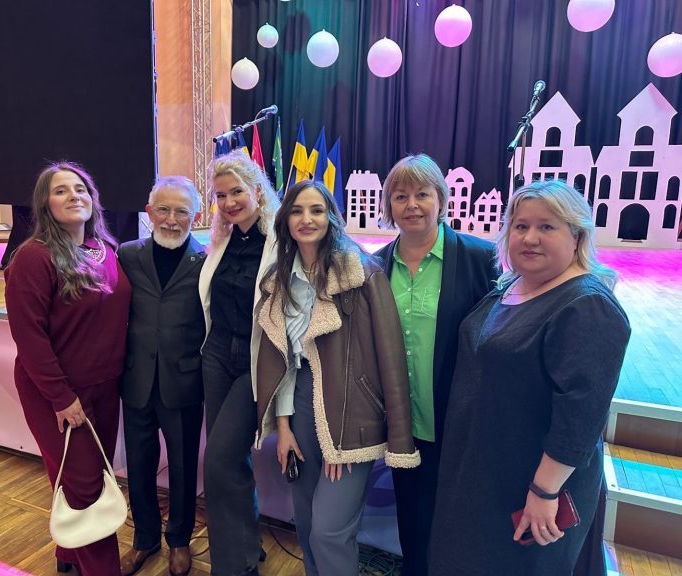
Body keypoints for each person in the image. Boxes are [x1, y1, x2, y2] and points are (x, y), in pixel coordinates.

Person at [429, 180, 631, 575]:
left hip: (529, 486)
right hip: (483, 472)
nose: (530, 237)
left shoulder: (587, 305)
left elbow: (581, 415)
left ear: (577, 236)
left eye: (547, 226)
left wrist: (544, 491)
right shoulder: (513, 285)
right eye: (521, 226)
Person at [255, 180, 420, 576]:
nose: (307, 219)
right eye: (297, 210)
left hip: (349, 415)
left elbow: (390, 359)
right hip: (299, 409)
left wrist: (352, 440)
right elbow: (282, 360)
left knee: (329, 531)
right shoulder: (279, 279)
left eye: (316, 210)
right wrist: (283, 426)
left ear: (331, 217)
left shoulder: (360, 273)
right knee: (307, 522)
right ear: (285, 220)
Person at [4, 161, 131, 576]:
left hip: (104, 388)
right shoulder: (33, 257)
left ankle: (69, 556)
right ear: (45, 204)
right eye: (61, 190)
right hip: (58, 393)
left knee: (81, 477)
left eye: (81, 189)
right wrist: (61, 397)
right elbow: (29, 337)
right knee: (87, 490)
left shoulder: (104, 250)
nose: (74, 195)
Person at [373, 154, 497, 576]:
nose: (411, 205)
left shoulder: (481, 259)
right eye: (400, 196)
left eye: (422, 194)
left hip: (459, 423)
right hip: (403, 426)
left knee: (460, 522)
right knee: (412, 521)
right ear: (389, 205)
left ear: (441, 200)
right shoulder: (375, 266)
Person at [116, 177, 206, 576]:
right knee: (138, 465)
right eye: (164, 209)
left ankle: (180, 540)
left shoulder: (207, 261)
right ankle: (145, 539)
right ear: (149, 212)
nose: (172, 219)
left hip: (184, 382)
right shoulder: (126, 254)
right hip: (136, 378)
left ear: (196, 216)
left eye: (181, 211)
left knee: (184, 468)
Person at [198, 150, 279, 576]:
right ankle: (247, 544)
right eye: (221, 195)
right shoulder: (221, 241)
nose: (229, 202)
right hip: (216, 356)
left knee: (218, 460)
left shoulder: (281, 241)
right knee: (230, 460)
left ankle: (232, 567)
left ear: (257, 192)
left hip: (254, 360)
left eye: (237, 192)